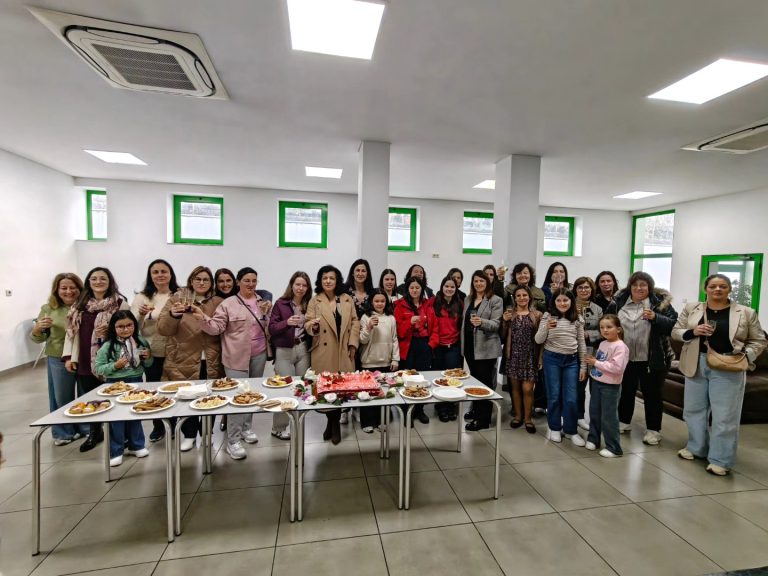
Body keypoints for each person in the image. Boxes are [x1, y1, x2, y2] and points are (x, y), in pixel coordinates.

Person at [672, 274, 766, 476]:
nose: (717, 289)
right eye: (713, 286)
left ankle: (720, 459)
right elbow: (676, 331)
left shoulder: (745, 312)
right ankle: (696, 448)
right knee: (694, 410)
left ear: (729, 289)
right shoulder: (692, 308)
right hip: (696, 363)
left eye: (722, 286)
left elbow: (759, 341)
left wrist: (745, 355)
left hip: (728, 366)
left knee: (725, 415)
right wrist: (693, 332)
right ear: (705, 288)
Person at [196, 267, 272, 460]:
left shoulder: (262, 302)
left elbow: (268, 326)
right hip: (235, 357)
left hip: (259, 354)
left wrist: (268, 314)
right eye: (246, 280)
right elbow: (216, 328)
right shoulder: (228, 303)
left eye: (254, 280)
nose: (251, 284)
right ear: (238, 282)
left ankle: (246, 428)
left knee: (252, 394)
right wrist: (202, 318)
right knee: (237, 397)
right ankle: (233, 440)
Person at [63, 267, 129, 452]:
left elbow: (129, 329)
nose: (98, 282)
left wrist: (110, 332)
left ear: (109, 282)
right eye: (94, 278)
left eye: (103, 278)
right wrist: (68, 357)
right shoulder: (79, 306)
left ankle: (119, 435)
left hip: (112, 358)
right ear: (88, 282)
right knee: (90, 396)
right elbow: (71, 333)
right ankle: (95, 432)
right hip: (85, 356)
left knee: (115, 396)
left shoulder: (120, 303)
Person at [157, 266, 223, 451]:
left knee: (210, 397)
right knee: (187, 397)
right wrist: (173, 315)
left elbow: (222, 327)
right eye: (198, 279)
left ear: (211, 283)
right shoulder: (176, 299)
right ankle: (189, 435)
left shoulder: (218, 302)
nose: (201, 282)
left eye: (206, 279)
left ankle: (207, 433)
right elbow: (163, 329)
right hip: (182, 358)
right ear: (191, 281)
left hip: (211, 357)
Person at [607, 271, 677, 445]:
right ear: (630, 286)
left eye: (643, 285)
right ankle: (623, 421)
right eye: (635, 285)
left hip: (652, 358)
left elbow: (675, 326)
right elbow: (607, 322)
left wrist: (656, 317)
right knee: (626, 391)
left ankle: (653, 430)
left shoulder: (660, 304)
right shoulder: (618, 303)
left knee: (652, 394)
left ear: (649, 288)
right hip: (625, 358)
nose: (639, 288)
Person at [305, 265, 360, 444]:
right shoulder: (315, 300)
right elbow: (307, 322)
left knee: (341, 388)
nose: (328, 281)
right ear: (320, 281)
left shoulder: (346, 299)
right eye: (325, 278)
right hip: (324, 351)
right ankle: (333, 424)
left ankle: (333, 425)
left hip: (344, 350)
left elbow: (355, 321)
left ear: (337, 281)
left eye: (332, 278)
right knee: (328, 389)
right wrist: (313, 326)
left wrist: (353, 343)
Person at [31, 273, 85, 445]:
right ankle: (63, 432)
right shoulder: (49, 309)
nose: (68, 291)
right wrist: (37, 329)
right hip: (58, 357)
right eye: (64, 288)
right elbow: (39, 338)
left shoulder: (87, 306)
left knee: (86, 394)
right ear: (57, 290)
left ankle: (87, 428)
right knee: (61, 397)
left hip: (84, 356)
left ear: (80, 289)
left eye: (72, 287)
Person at [93, 311, 152, 467]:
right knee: (116, 418)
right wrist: (115, 366)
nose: (125, 329)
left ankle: (137, 445)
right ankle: (116, 451)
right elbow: (98, 368)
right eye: (120, 326)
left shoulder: (140, 341)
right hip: (114, 384)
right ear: (113, 327)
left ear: (134, 325)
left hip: (136, 381)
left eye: (129, 325)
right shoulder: (108, 346)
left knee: (135, 413)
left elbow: (148, 364)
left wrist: (148, 358)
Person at [132, 259, 179, 443]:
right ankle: (158, 426)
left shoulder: (178, 294)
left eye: (164, 271)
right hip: (151, 351)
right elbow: (132, 325)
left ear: (170, 274)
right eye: (156, 272)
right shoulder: (142, 297)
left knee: (175, 389)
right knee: (155, 389)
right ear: (150, 276)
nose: (160, 275)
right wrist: (142, 314)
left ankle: (173, 424)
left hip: (175, 350)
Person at [535, 287, 587, 445]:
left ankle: (571, 430)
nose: (562, 303)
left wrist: (583, 366)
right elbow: (538, 340)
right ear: (554, 302)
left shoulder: (577, 318)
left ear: (571, 301)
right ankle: (555, 428)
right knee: (554, 395)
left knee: (571, 398)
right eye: (559, 300)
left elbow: (581, 343)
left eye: (565, 300)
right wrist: (546, 327)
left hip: (571, 361)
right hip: (552, 359)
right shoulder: (547, 316)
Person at [268, 271, 313, 440]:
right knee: (284, 388)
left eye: (304, 285)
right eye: (297, 284)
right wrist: (286, 323)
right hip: (284, 350)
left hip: (303, 348)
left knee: (301, 388)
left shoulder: (310, 304)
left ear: (308, 288)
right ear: (292, 285)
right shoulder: (281, 303)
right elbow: (272, 328)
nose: (300, 288)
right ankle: (278, 428)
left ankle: (297, 423)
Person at [462, 270, 503, 431]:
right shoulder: (468, 299)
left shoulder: (495, 300)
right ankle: (476, 410)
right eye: (476, 281)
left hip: (486, 348)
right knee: (474, 380)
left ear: (487, 282)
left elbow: (496, 324)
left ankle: (483, 419)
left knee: (485, 383)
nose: (478, 283)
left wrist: (482, 322)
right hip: (469, 347)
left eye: (481, 281)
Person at [585, 315, 630, 457]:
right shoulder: (603, 343)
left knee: (608, 416)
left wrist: (596, 363)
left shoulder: (621, 347)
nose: (605, 330)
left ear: (618, 329)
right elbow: (601, 361)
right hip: (597, 382)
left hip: (610, 386)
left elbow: (617, 368)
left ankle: (614, 448)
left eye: (609, 327)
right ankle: (593, 439)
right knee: (594, 412)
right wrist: (594, 363)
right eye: (602, 327)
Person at [501, 285, 542, 433]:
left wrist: (541, 358)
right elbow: (502, 336)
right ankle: (518, 416)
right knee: (515, 388)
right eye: (518, 295)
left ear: (530, 297)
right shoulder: (509, 314)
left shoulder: (537, 315)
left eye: (524, 295)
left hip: (530, 356)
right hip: (513, 356)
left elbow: (542, 339)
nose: (522, 298)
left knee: (528, 389)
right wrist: (504, 321)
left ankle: (528, 419)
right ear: (514, 298)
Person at [358, 290, 400, 432]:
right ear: (371, 302)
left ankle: (382, 420)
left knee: (383, 392)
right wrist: (369, 327)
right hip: (369, 361)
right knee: (367, 393)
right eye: (376, 301)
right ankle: (367, 422)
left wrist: (395, 359)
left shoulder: (391, 318)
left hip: (386, 362)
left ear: (386, 303)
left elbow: (394, 339)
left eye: (382, 301)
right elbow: (362, 340)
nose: (380, 304)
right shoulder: (365, 317)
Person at [394, 276, 433, 425]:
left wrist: (431, 345)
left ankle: (419, 410)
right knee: (408, 379)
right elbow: (399, 332)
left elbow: (433, 325)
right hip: (408, 346)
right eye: (412, 288)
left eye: (417, 288)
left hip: (424, 344)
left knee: (422, 378)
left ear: (422, 289)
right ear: (407, 289)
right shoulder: (400, 305)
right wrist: (409, 322)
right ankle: (406, 411)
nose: (415, 290)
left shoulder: (428, 304)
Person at [428, 276, 463, 422]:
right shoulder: (434, 302)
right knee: (439, 379)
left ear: (456, 289)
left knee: (452, 379)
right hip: (438, 346)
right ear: (442, 287)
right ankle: (441, 407)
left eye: (452, 287)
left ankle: (450, 406)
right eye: (446, 286)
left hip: (453, 346)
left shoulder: (459, 304)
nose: (449, 289)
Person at [573, 276, 603, 431]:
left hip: (593, 352)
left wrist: (588, 334)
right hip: (574, 352)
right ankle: (578, 416)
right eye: (580, 287)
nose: (584, 290)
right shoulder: (569, 305)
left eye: (587, 287)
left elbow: (603, 330)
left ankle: (595, 419)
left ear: (591, 289)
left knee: (594, 388)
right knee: (578, 387)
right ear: (575, 290)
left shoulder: (598, 309)